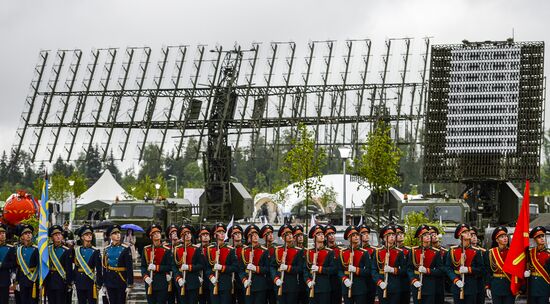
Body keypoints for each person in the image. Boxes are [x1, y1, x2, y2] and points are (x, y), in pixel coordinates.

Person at [444, 224, 482, 304]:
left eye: (468, 231)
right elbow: (448, 268)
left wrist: (468, 269)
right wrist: (455, 280)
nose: (468, 233)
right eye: (465, 232)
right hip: (457, 286)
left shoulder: (476, 251)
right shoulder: (452, 250)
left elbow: (481, 269)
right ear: (460, 235)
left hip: (471, 287)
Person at [407, 224, 443, 304]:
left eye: (428, 235)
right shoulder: (413, 251)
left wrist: (427, 270)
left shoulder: (435, 252)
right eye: (425, 235)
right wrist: (413, 280)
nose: (428, 236)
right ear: (420, 238)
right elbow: (409, 269)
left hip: (430, 286)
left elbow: (440, 270)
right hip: (416, 285)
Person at [338, 225, 372, 304]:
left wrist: (356, 270)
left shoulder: (364, 252)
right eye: (353, 235)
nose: (356, 237)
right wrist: (344, 279)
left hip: (360, 287)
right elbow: (339, 270)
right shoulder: (342, 252)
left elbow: (368, 271)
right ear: (349, 238)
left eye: (357, 235)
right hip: (347, 287)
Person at [372, 224, 405, 304]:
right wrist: (379, 282)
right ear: (384, 238)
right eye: (389, 235)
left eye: (393, 235)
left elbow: (404, 270)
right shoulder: (377, 251)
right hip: (382, 285)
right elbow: (373, 270)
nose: (392, 237)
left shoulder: (399, 252)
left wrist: (393, 270)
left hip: (395, 287)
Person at [205, 223, 237, 304]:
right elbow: (207, 267)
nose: (222, 234)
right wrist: (211, 277)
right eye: (219, 232)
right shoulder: (209, 249)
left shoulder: (230, 249)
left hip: (225, 283)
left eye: (223, 232)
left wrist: (222, 268)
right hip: (213, 283)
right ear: (215, 235)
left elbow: (235, 267)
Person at [141, 224, 173, 304]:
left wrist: (156, 268)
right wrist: (145, 277)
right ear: (151, 237)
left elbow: (170, 267)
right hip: (149, 282)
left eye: (158, 232)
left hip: (161, 282)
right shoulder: (146, 249)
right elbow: (143, 266)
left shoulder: (166, 250)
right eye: (154, 233)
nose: (156, 234)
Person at [272, 224, 303, 304]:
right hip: (279, 285)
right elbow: (272, 267)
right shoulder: (277, 250)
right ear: (282, 238)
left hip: (292, 286)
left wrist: (287, 267)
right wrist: (276, 279)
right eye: (286, 235)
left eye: (290, 234)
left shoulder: (298, 251)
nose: (289, 236)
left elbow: (300, 268)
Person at [304, 224, 335, 304]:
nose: (321, 236)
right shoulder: (308, 252)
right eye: (318, 234)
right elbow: (305, 270)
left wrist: (319, 269)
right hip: (311, 286)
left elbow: (333, 269)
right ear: (314, 237)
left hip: (324, 288)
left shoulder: (330, 252)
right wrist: (308, 281)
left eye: (322, 234)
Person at [239, 224, 270, 304]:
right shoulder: (244, 251)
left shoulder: (264, 250)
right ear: (249, 238)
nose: (255, 236)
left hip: (260, 286)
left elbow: (267, 269)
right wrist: (244, 280)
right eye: (252, 235)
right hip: (247, 284)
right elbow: (241, 269)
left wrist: (256, 268)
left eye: (256, 234)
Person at [103, 224, 134, 303]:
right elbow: (105, 267)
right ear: (110, 236)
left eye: (119, 233)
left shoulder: (125, 248)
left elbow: (129, 267)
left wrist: (130, 284)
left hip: (121, 279)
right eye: (115, 233)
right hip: (110, 280)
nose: (118, 235)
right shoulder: (106, 249)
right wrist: (104, 283)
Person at [174, 223, 203, 304]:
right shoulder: (177, 249)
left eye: (189, 233)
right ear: (181, 237)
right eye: (184, 234)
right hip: (181, 282)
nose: (187, 235)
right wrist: (178, 278)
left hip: (193, 282)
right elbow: (174, 266)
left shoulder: (196, 249)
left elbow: (201, 265)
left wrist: (189, 267)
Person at [74, 224, 103, 304]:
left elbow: (99, 269)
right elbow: (76, 267)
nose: (89, 236)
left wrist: (99, 283)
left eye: (90, 234)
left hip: (91, 282)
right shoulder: (77, 250)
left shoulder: (95, 251)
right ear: (82, 237)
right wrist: (74, 280)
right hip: (79, 282)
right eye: (86, 235)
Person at [484, 226, 513, 304]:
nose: (505, 238)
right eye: (502, 237)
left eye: (506, 236)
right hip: (496, 286)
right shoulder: (490, 253)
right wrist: (487, 286)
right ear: (497, 240)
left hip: (509, 286)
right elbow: (488, 271)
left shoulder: (512, 253)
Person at [525, 226, 550, 304]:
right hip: (532, 288)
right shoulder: (530, 253)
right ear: (535, 240)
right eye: (539, 237)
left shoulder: (548, 254)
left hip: (544, 288)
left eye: (542, 236)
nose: (542, 238)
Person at [15, 223, 39, 304]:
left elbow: (40, 266)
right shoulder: (19, 250)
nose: (28, 235)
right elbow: (18, 267)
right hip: (22, 279)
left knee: (33, 301)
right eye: (25, 233)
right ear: (22, 237)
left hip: (33, 279)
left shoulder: (37, 249)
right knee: (23, 301)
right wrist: (17, 281)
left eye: (29, 233)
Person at [428, 225, 447, 304]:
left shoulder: (444, 251)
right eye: (431, 234)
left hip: (441, 281)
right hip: (428, 280)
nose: (434, 235)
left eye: (435, 233)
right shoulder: (425, 251)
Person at [358, 224, 376, 304]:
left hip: (370, 281)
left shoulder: (373, 250)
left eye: (367, 233)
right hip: (359, 280)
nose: (366, 235)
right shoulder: (356, 250)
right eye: (364, 234)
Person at [325, 224, 342, 304]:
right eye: (329, 234)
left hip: (337, 282)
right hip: (325, 281)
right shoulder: (324, 251)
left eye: (332, 234)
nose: (331, 236)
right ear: (326, 237)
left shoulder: (340, 250)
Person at [261, 224, 277, 304]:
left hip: (274, 280)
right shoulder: (261, 250)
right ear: (264, 237)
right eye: (268, 234)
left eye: (271, 234)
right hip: (263, 281)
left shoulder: (276, 249)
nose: (271, 236)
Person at [395, 225, 411, 304]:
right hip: (393, 283)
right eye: (398, 233)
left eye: (402, 233)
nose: (400, 235)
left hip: (405, 284)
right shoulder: (389, 250)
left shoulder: (409, 250)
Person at [292, 224, 308, 304]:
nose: (301, 237)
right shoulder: (291, 251)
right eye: (298, 235)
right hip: (293, 284)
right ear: (294, 238)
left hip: (305, 284)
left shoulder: (307, 251)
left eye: (301, 235)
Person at [0, 222, 16, 304]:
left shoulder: (10, 248)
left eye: (3, 233)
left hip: (4, 279)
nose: (2, 235)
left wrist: (2, 265)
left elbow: (13, 264)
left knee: (4, 301)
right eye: (0, 233)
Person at [470, 227, 486, 304]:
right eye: (471, 235)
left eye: (475, 235)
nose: (474, 237)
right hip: (469, 281)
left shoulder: (483, 252)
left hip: (480, 281)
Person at [165, 224, 180, 304]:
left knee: (180, 298)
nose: (174, 234)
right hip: (169, 276)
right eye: (172, 233)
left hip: (180, 275)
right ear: (169, 236)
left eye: (176, 232)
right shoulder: (166, 247)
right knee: (170, 298)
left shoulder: (182, 246)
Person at [197, 224, 212, 304]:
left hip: (211, 280)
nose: (205, 236)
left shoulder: (214, 249)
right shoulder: (197, 249)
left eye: (207, 234)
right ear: (200, 238)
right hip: (200, 279)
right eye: (203, 235)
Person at [230, 225, 245, 304]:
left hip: (243, 279)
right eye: (235, 233)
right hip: (231, 278)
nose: (238, 234)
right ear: (232, 236)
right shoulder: (229, 249)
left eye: (239, 233)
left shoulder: (246, 249)